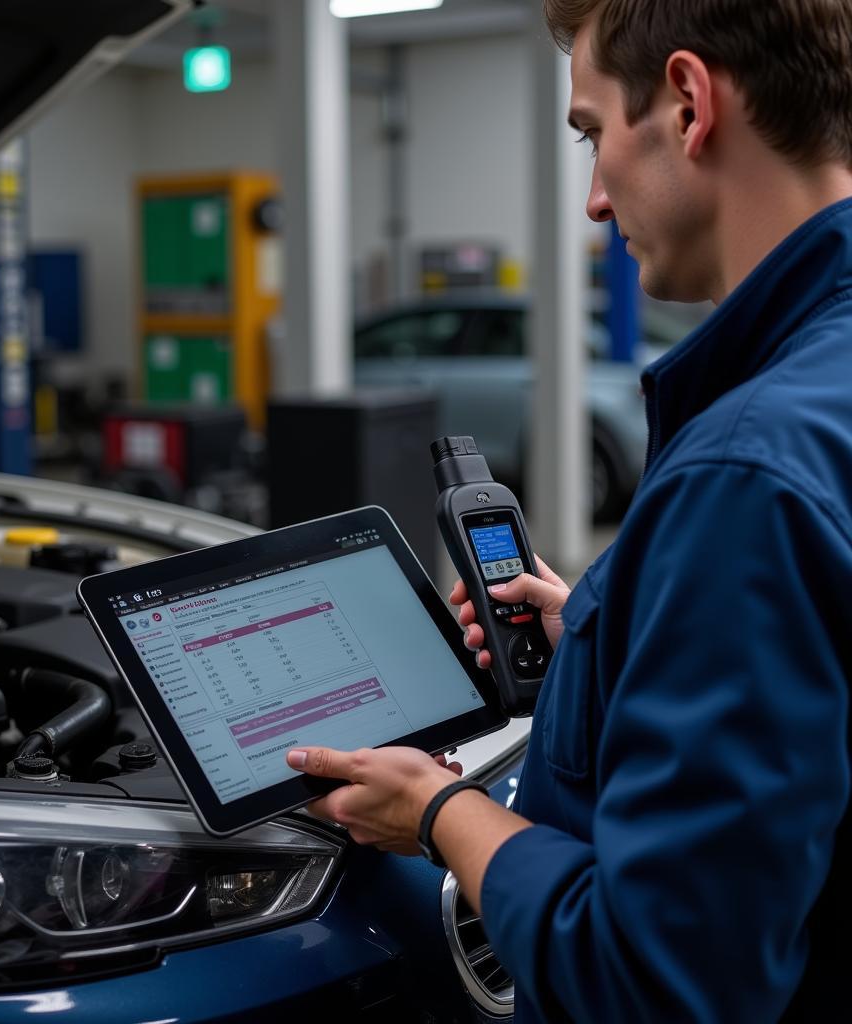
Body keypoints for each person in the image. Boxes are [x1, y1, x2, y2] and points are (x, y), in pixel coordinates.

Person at [283, 1, 852, 1020]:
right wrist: (606, 630)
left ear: (685, 103)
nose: (592, 200)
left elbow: (656, 981)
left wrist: (439, 811)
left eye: (592, 134)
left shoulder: (744, 473)